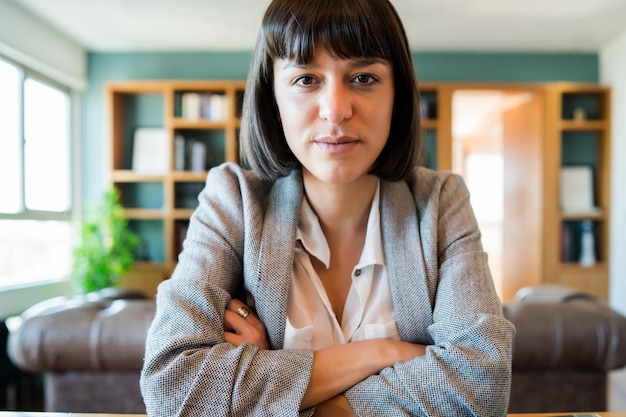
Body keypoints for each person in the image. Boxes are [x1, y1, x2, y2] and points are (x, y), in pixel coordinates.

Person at [140, 0, 515, 416]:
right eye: (305, 80)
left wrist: (277, 390)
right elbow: (172, 388)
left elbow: (482, 387)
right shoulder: (233, 200)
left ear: (398, 95)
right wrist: (383, 353)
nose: (336, 109)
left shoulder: (442, 202)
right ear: (273, 99)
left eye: (364, 77)